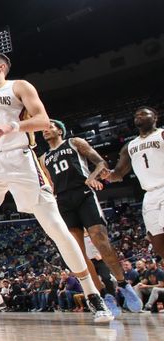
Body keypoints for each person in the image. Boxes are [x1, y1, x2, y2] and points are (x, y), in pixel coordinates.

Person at [0, 52, 112, 322]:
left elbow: (43, 120)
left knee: (56, 229)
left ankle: (92, 294)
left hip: (21, 160)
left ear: (2, 66)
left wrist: (13, 126)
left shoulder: (19, 86)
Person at [41, 119, 143, 314]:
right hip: (63, 200)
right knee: (80, 253)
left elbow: (101, 163)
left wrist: (92, 177)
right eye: (44, 129)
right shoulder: (43, 157)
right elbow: (49, 181)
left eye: (50, 127)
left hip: (84, 193)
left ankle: (123, 284)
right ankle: (105, 295)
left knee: (100, 241)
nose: (46, 130)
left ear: (60, 130)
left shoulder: (74, 142)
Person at [103, 106, 164, 260]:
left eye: (144, 114)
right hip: (149, 195)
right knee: (158, 242)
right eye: (137, 114)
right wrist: (107, 175)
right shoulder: (129, 146)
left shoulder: (161, 134)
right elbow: (118, 174)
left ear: (155, 117)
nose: (139, 116)